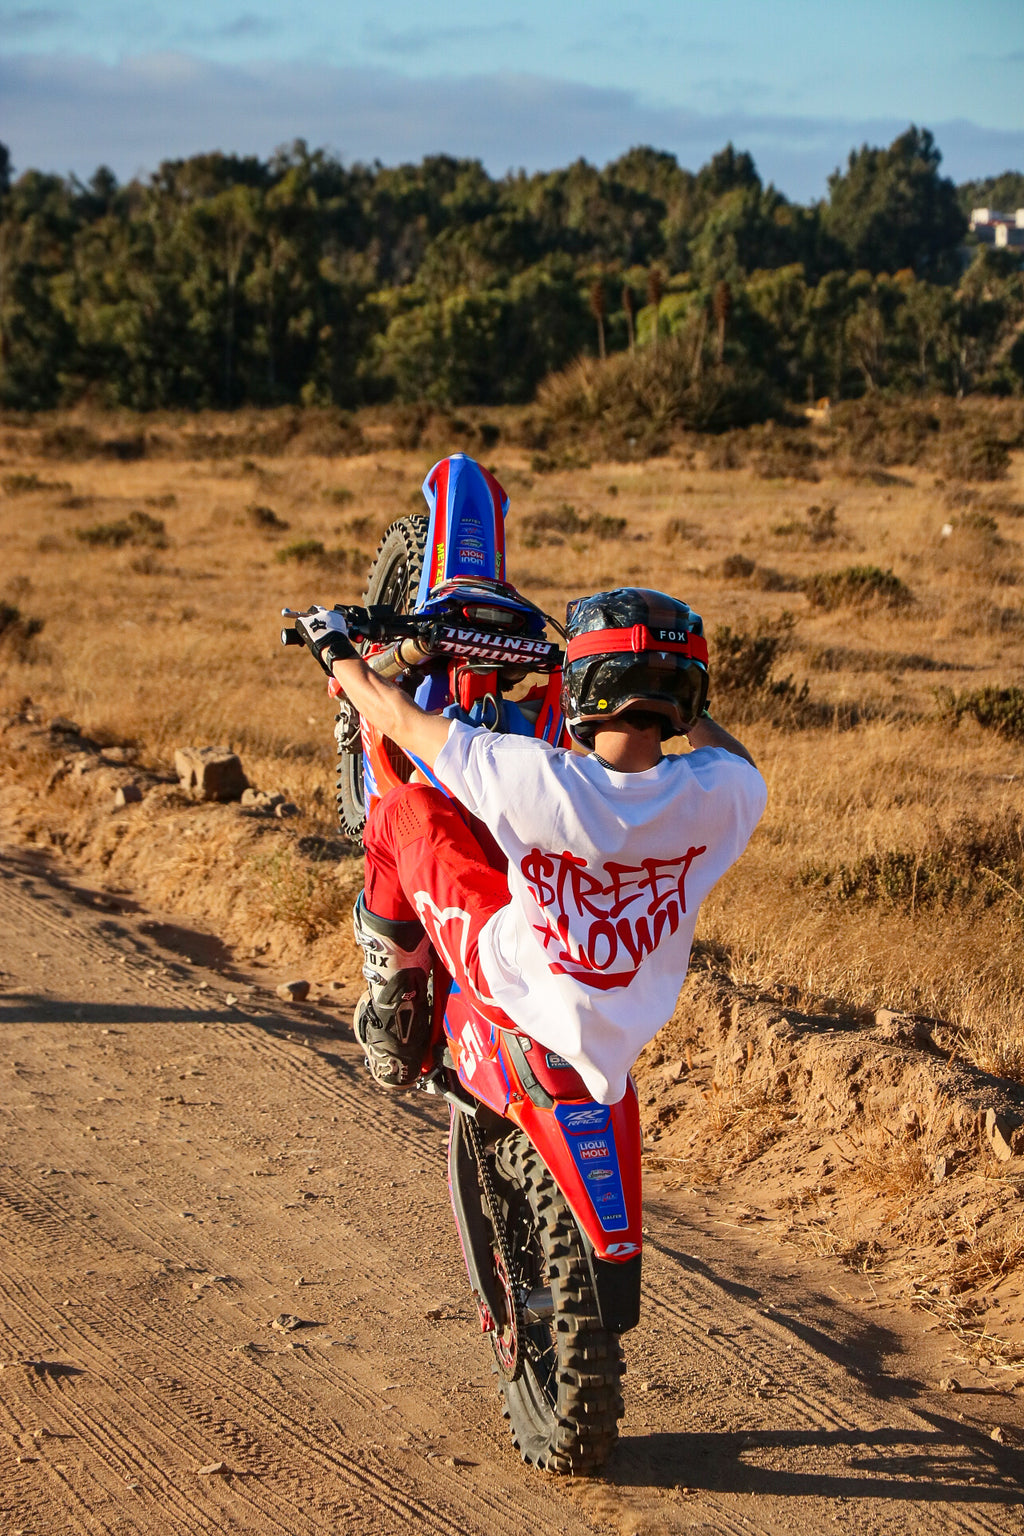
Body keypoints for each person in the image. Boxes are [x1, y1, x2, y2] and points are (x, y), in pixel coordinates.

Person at [294, 588, 766, 1106]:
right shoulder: (723, 795)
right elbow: (737, 762)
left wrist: (333, 648)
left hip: (510, 986)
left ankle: (396, 1010)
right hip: (633, 1023)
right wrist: (676, 693)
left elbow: (400, 719)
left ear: (586, 684)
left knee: (402, 810)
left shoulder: (535, 777)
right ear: (690, 691)